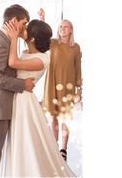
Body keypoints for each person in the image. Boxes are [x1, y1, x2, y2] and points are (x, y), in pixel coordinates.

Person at [0, 18, 76, 177]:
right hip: (17, 97)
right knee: (19, 140)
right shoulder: (27, 52)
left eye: (26, 28)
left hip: (24, 102)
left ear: (32, 38)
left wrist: (13, 38)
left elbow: (12, 62)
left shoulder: (42, 59)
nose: (23, 29)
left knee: (26, 140)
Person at [0, 4, 35, 177]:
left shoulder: (7, 38)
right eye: (24, 23)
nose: (25, 28)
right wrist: (22, 84)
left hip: (3, 106)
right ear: (14, 21)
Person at [39, 8, 82, 161]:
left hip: (68, 85)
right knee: (53, 117)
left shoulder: (76, 48)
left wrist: (79, 90)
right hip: (52, 83)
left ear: (71, 30)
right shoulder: (53, 43)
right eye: (60, 27)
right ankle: (54, 146)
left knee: (65, 117)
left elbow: (78, 69)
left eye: (65, 26)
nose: (62, 29)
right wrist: (43, 18)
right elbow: (42, 35)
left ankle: (63, 149)